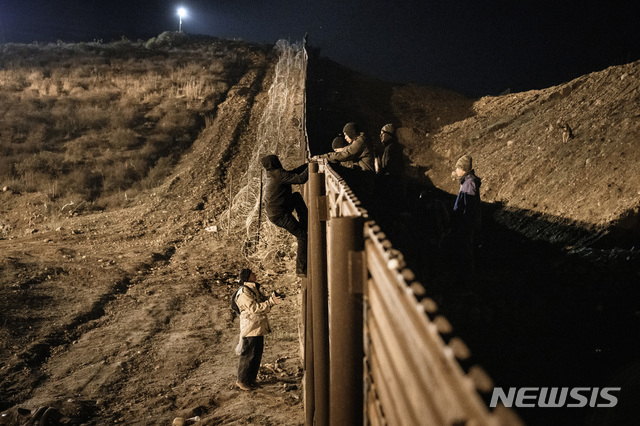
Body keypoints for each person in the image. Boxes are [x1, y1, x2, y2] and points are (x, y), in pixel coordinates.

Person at [234, 268, 283, 391]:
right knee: (248, 355)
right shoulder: (243, 292)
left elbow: (260, 303)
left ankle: (250, 380)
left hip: (257, 326)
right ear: (247, 276)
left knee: (256, 355)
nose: (255, 274)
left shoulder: (251, 289)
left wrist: (271, 298)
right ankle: (242, 380)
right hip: (250, 327)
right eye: (252, 273)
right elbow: (254, 308)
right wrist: (271, 302)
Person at [260, 154, 308, 276]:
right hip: (280, 215)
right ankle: (301, 269)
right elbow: (301, 179)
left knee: (296, 196)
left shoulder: (273, 174)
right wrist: (312, 166)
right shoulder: (278, 175)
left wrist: (307, 165)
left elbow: (293, 173)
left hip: (278, 210)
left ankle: (305, 223)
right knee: (302, 236)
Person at [450, 154, 482, 282]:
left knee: (465, 251)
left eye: (457, 167)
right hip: (465, 223)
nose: (456, 170)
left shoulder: (469, 183)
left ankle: (466, 281)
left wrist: (462, 222)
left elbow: (468, 207)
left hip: (465, 225)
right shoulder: (468, 182)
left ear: (463, 169)